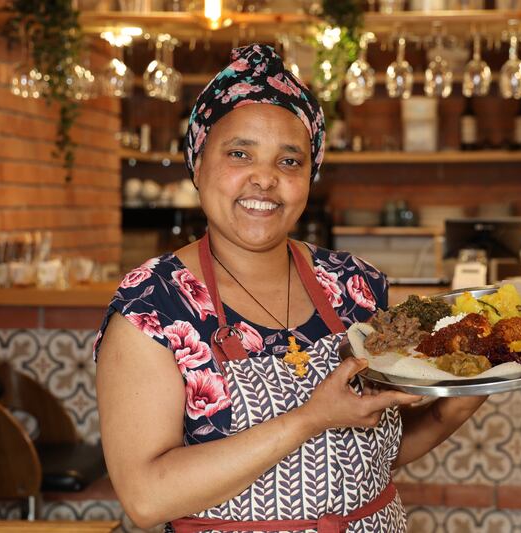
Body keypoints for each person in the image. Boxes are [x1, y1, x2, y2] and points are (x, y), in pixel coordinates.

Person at [95, 44, 486, 532]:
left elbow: (368, 458)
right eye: (240, 154)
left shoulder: (355, 286)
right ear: (197, 165)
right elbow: (147, 498)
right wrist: (307, 419)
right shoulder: (153, 307)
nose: (264, 179)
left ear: (310, 177)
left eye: (289, 161)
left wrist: (455, 407)